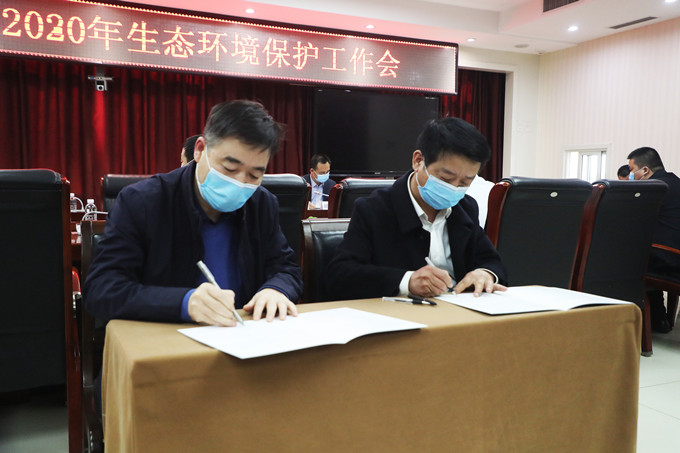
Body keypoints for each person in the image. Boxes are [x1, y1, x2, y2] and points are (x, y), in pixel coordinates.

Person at [85, 100, 302, 326]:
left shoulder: (262, 204)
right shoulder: (143, 202)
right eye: (230, 168)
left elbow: (286, 268)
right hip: (167, 338)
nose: (240, 182)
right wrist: (183, 303)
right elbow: (102, 289)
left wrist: (276, 289)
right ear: (199, 150)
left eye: (254, 175)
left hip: (242, 334)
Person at [327, 117, 507, 301]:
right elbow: (341, 275)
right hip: (400, 313)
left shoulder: (465, 208)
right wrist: (407, 281)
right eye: (445, 178)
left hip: (459, 311)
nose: (453, 188)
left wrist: (485, 273)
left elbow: (491, 260)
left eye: (465, 182)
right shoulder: (374, 209)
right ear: (418, 161)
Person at [628, 146, 680, 332]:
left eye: (632, 170)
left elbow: (633, 221)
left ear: (645, 170)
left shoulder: (653, 188)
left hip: (668, 258)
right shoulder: (675, 182)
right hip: (674, 254)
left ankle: (649, 319)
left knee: (626, 260)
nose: (631, 175)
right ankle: (659, 318)